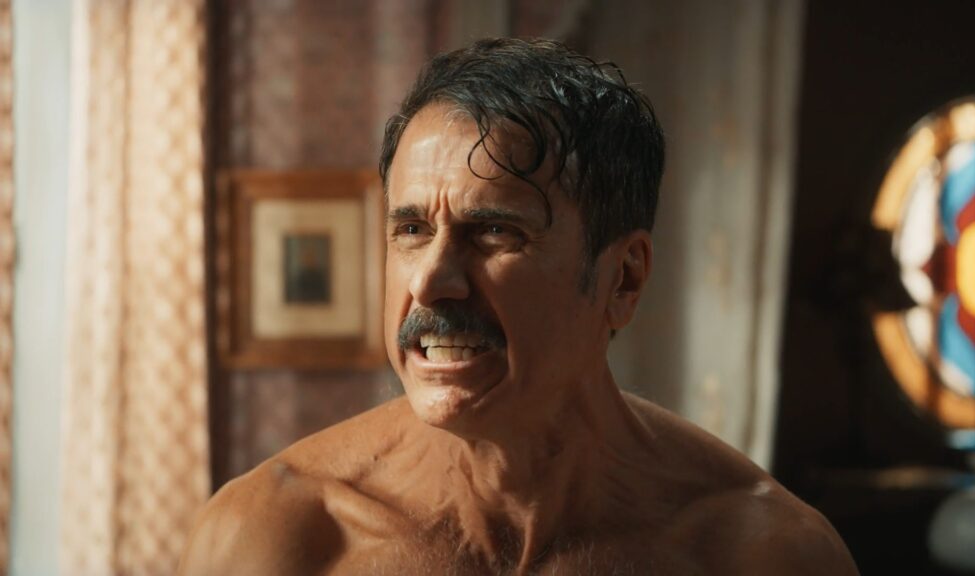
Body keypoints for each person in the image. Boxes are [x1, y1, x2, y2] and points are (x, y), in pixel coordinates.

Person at [179, 38, 859, 575]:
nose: (432, 282)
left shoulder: (759, 553)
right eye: (411, 229)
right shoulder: (277, 537)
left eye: (495, 232)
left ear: (623, 278)